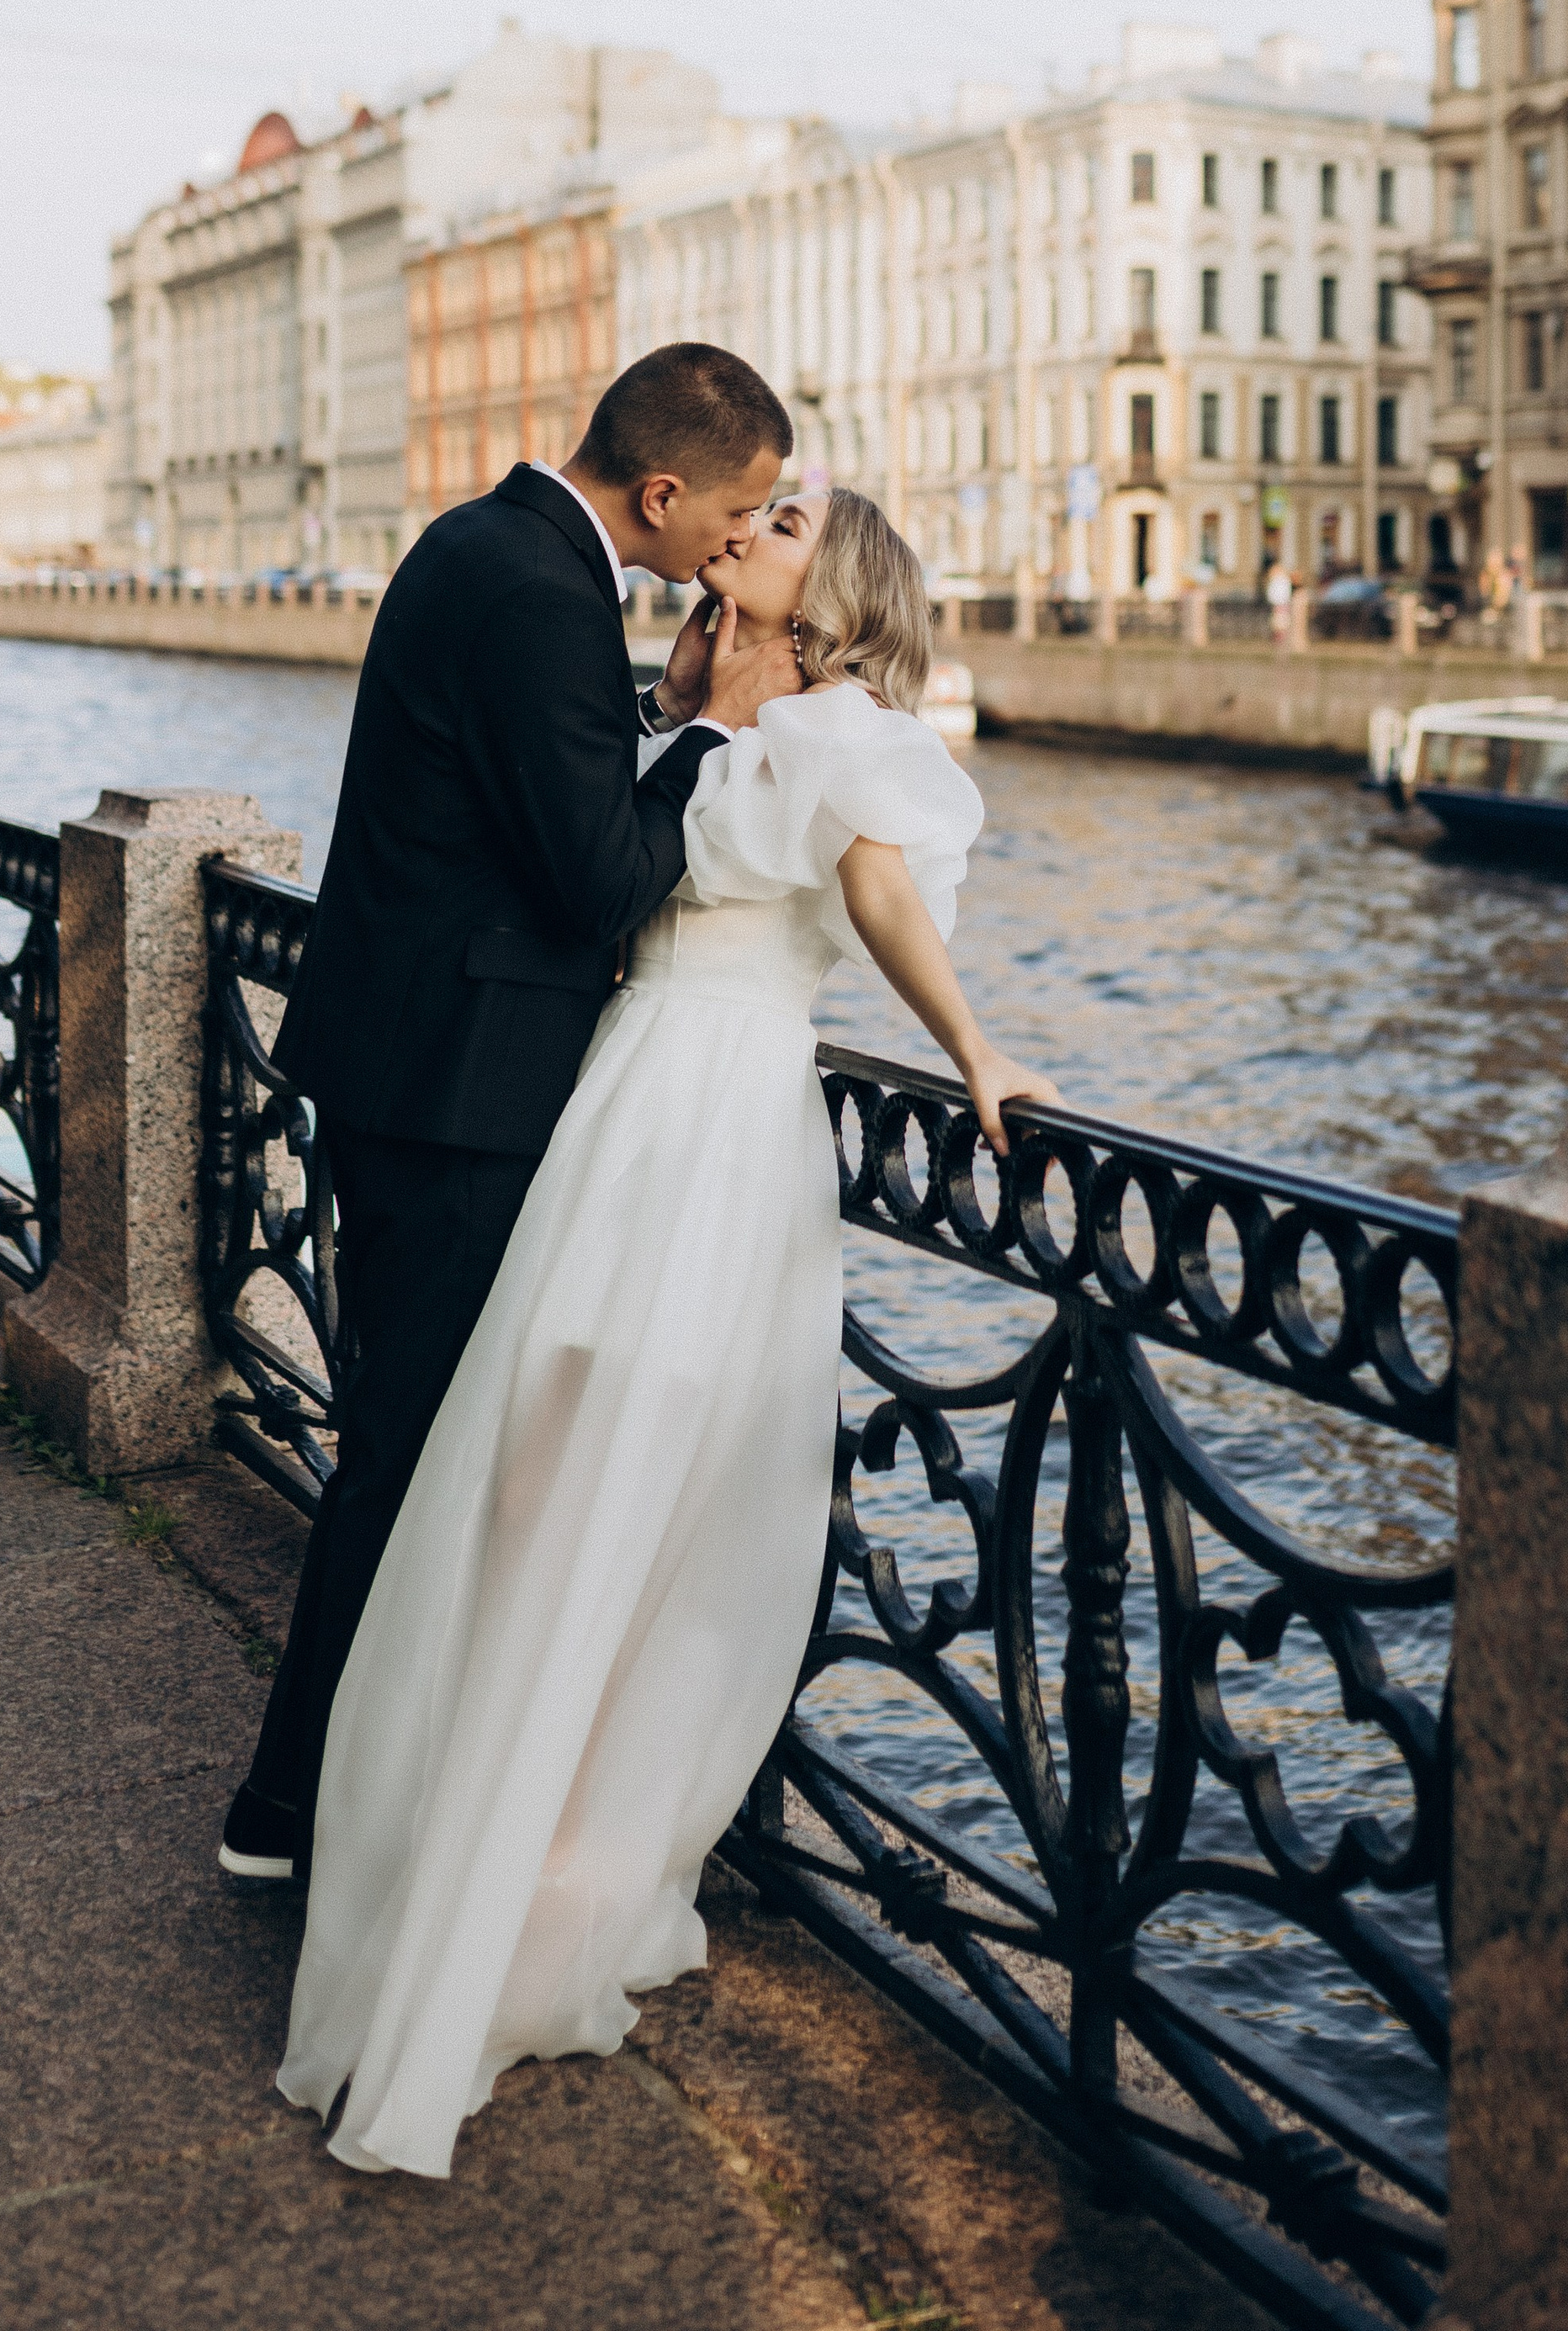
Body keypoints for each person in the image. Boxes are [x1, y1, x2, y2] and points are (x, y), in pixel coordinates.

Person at [277, 485, 1053, 2177]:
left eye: (784, 525)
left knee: (617, 1488)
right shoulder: (700, 725)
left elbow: (882, 903)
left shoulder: (837, 731)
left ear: (825, 590)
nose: (749, 528)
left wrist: (977, 1051)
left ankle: (532, 1867)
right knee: (555, 1482)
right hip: (634, 1111)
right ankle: (501, 1866)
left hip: (695, 1119)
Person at [218, 342, 804, 1889]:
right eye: (734, 511)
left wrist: (653, 707)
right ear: (662, 490)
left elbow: (518, 773)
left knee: (413, 1446)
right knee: (409, 1459)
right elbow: (600, 876)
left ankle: (336, 1793)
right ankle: (290, 1813)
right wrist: (725, 729)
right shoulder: (551, 592)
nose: (733, 544)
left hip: (404, 1061)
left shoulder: (485, 541)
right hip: (462, 1092)